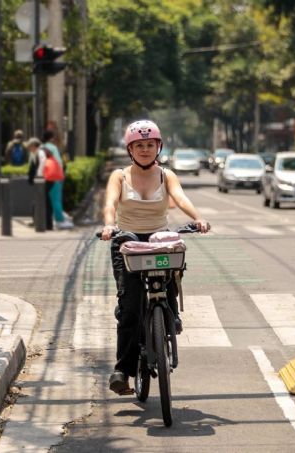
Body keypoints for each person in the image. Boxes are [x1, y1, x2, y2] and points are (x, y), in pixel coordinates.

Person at [100, 119, 210, 395]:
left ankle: (170, 314)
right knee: (130, 307)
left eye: (150, 145)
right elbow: (110, 203)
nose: (145, 150)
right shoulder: (120, 176)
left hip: (159, 239)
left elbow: (181, 198)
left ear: (159, 147)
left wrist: (198, 218)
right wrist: (109, 225)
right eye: (140, 145)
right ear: (130, 149)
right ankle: (122, 371)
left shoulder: (166, 175)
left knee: (172, 269)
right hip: (127, 241)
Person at [42, 130, 74, 229]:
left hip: (45, 176)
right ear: (51, 138)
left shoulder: (41, 147)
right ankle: (59, 220)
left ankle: (52, 219)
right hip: (55, 177)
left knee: (49, 200)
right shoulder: (53, 147)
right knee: (56, 199)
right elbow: (58, 162)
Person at [26, 137, 53, 230]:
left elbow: (42, 163)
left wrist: (39, 177)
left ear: (34, 145)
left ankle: (46, 223)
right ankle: (45, 223)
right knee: (44, 201)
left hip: (44, 180)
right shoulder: (39, 152)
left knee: (43, 201)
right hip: (45, 180)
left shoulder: (40, 152)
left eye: (30, 147)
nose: (29, 149)